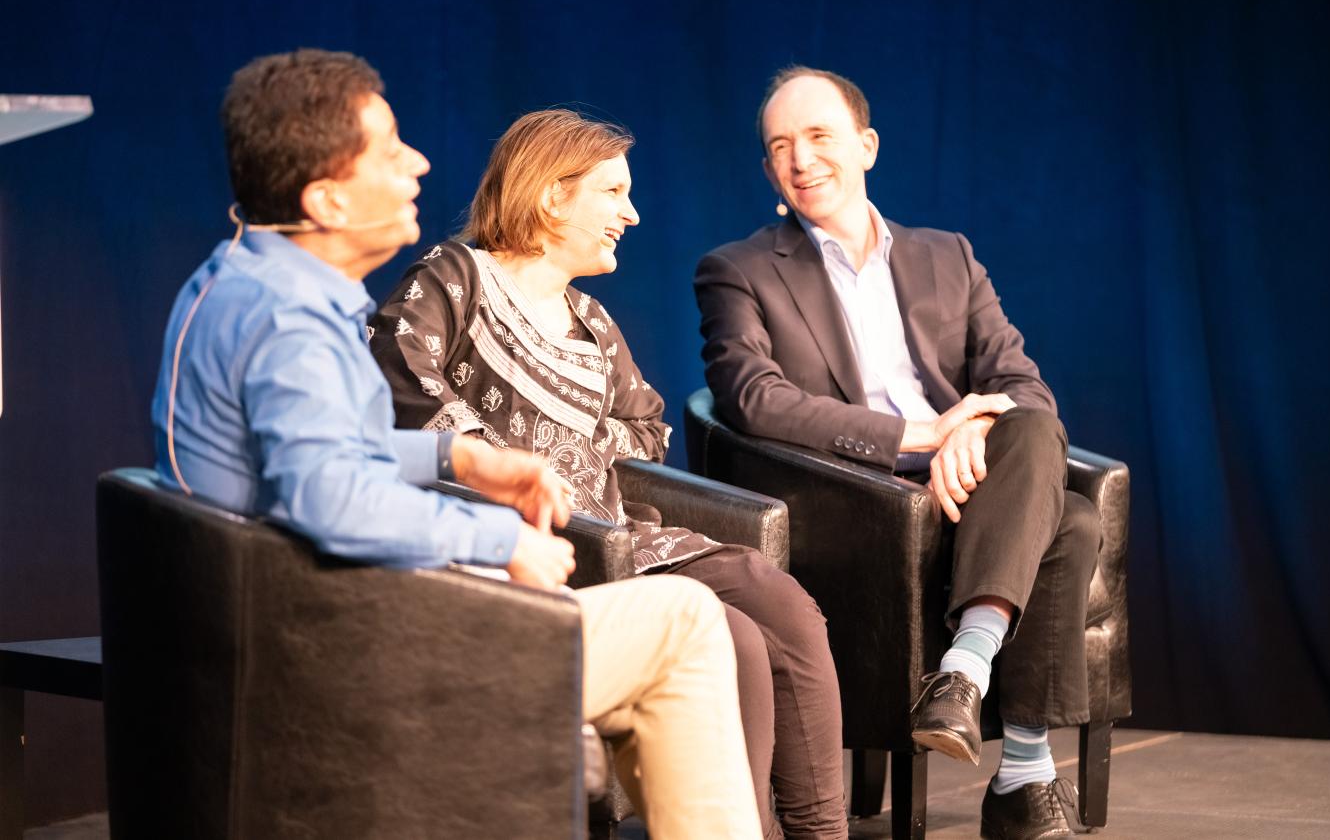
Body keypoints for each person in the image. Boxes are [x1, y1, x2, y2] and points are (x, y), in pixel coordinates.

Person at [149, 48, 761, 840]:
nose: (419, 164)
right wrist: (497, 535)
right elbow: (331, 498)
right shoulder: (290, 325)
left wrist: (458, 458)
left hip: (307, 620)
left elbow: (315, 457)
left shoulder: (244, 282)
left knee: (668, 642)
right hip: (341, 652)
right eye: (391, 148)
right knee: (683, 621)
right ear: (328, 200)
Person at [369, 109, 849, 839]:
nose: (630, 213)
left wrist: (580, 452)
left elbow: (645, 428)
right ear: (552, 194)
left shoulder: (591, 320)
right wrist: (503, 458)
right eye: (613, 192)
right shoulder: (454, 278)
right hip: (525, 547)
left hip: (613, 533)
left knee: (777, 599)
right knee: (736, 641)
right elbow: (401, 382)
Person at [694, 66, 1101, 839]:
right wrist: (926, 435)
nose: (801, 159)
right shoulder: (738, 270)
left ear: (868, 146)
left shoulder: (947, 254)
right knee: (1072, 524)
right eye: (781, 146)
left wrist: (971, 435)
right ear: (767, 169)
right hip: (860, 502)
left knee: (1032, 427)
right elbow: (752, 397)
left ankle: (963, 674)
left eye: (820, 137)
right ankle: (1022, 773)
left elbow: (1020, 382)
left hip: (975, 484)